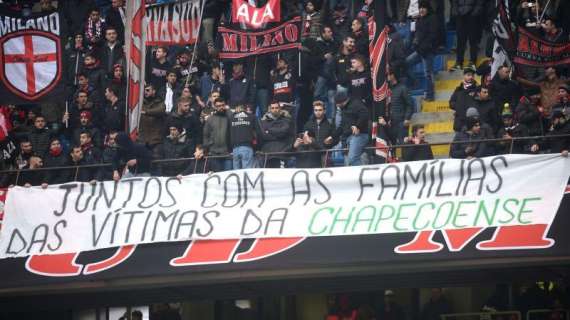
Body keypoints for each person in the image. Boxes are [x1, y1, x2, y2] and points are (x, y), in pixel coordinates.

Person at [405, 1, 438, 101]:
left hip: (428, 52)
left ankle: (430, 95)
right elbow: (417, 35)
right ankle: (415, 82)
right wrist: (415, 44)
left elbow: (433, 36)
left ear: (427, 9)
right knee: (405, 63)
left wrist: (423, 47)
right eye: (420, 8)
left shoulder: (432, 18)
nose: (421, 10)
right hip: (419, 51)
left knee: (428, 74)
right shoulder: (419, 19)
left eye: (423, 8)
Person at [335, 91, 369, 166]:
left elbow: (365, 114)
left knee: (353, 159)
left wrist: (357, 126)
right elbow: (342, 126)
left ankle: (363, 176)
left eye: (337, 103)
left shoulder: (356, 103)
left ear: (342, 102)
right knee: (346, 161)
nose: (337, 105)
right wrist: (332, 136)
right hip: (347, 137)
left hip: (359, 135)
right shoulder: (343, 109)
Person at [449, 0, 484, 71]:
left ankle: (473, 62)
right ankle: (459, 62)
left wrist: (475, 12)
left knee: (473, 40)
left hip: (473, 15)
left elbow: (480, 2)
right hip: (460, 15)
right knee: (460, 40)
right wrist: (455, 11)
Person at [258, 101, 295, 168]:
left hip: (282, 153)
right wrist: (278, 133)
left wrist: (268, 130)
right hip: (267, 155)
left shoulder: (286, 119)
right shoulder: (263, 121)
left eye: (276, 108)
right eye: (273, 108)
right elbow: (263, 136)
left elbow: (283, 132)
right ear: (269, 109)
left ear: (280, 109)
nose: (275, 110)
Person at [202, 97, 232, 172]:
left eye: (223, 105)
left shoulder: (229, 117)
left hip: (227, 153)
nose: (221, 107)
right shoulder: (210, 119)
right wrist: (207, 149)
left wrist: (228, 110)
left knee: (228, 176)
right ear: (215, 107)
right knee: (217, 177)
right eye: (218, 106)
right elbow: (206, 135)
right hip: (213, 153)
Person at [387, 71, 415, 143]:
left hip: (401, 120)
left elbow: (410, 104)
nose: (386, 77)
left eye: (388, 74)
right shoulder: (385, 90)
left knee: (403, 143)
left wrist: (407, 118)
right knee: (391, 146)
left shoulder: (402, 88)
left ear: (393, 75)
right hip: (389, 122)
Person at [139, 83, 166, 153]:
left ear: (154, 91)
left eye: (148, 90)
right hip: (143, 139)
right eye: (144, 90)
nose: (145, 92)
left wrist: (146, 112)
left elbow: (160, 110)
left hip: (155, 140)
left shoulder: (160, 102)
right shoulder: (140, 102)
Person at [450, 66, 479, 132]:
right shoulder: (458, 89)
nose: (470, 77)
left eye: (472, 75)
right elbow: (451, 103)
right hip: (460, 124)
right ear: (464, 76)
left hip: (473, 124)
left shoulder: (478, 89)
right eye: (468, 75)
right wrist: (459, 107)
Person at [229, 105, 256, 169]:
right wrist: (257, 147)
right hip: (247, 147)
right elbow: (257, 132)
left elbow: (228, 133)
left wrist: (229, 148)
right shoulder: (251, 116)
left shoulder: (231, 117)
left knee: (236, 172)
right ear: (245, 108)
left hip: (235, 148)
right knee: (247, 172)